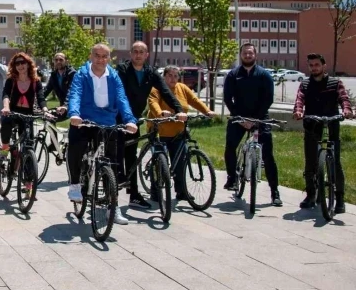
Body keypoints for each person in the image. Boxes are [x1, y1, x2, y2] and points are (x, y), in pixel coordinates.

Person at [68, 43, 138, 225]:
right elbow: (75, 94)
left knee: (112, 163)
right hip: (84, 119)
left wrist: (130, 120)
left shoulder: (113, 76)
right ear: (91, 56)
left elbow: (122, 98)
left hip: (107, 121)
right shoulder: (82, 74)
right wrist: (74, 114)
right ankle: (75, 184)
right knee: (76, 147)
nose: (100, 59)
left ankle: (112, 208)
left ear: (109, 58)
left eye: (104, 56)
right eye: (97, 55)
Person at [116, 41, 186, 211]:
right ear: (130, 53)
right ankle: (112, 189)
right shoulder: (122, 70)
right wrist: (125, 117)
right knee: (117, 153)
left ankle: (134, 195)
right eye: (135, 51)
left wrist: (178, 110)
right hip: (117, 117)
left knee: (131, 156)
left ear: (147, 55)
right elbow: (119, 94)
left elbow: (165, 91)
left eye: (142, 52)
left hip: (134, 119)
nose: (138, 55)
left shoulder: (150, 72)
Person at [223, 43, 282, 206]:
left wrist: (255, 119)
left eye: (250, 53)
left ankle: (275, 192)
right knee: (230, 147)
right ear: (240, 55)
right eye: (245, 53)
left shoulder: (264, 74)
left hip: (260, 117)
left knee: (268, 155)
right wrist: (240, 118)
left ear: (255, 55)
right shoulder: (233, 75)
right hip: (239, 117)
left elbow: (268, 98)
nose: (247, 55)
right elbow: (227, 98)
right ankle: (232, 178)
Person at [293, 53, 353, 212]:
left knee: (336, 163)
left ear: (323, 66)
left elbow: (343, 98)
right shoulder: (305, 84)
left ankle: (340, 199)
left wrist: (347, 110)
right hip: (312, 126)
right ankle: (311, 195)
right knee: (310, 162)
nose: (314, 68)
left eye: (317, 65)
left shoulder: (335, 83)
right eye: (311, 65)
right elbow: (300, 99)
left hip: (331, 125)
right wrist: (298, 111)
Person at [147, 65, 215, 202]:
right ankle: (155, 191)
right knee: (159, 162)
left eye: (175, 76)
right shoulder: (156, 89)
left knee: (181, 163)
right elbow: (153, 103)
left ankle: (181, 191)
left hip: (178, 132)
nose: (173, 78)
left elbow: (194, 100)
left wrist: (207, 111)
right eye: (169, 75)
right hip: (159, 130)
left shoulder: (182, 88)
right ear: (164, 77)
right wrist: (161, 113)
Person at [0, 52, 48, 195]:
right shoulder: (11, 80)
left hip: (27, 115)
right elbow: (6, 95)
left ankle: (28, 184)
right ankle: (5, 147)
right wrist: (6, 107)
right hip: (13, 112)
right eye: (17, 63)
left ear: (28, 64)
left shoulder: (35, 81)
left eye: (23, 62)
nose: (20, 66)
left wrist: (45, 110)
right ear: (14, 66)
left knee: (28, 148)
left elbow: (41, 97)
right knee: (5, 120)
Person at [43, 52, 75, 118]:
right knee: (49, 117)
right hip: (62, 107)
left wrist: (65, 105)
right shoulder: (54, 75)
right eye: (56, 60)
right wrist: (37, 100)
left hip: (75, 106)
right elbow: (47, 90)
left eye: (61, 60)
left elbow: (71, 91)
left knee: (75, 123)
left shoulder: (72, 73)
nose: (58, 62)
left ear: (66, 61)